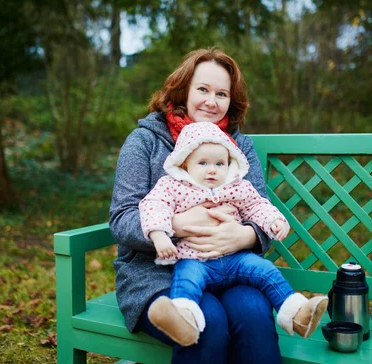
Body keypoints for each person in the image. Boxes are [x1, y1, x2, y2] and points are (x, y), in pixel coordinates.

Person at [110, 47, 296, 363]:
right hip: (155, 272)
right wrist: (177, 226)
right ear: (183, 89)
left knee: (253, 314)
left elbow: (257, 205)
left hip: (230, 266)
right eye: (203, 89)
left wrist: (246, 237)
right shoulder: (145, 140)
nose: (211, 100)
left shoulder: (238, 146)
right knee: (207, 323)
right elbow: (122, 217)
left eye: (221, 93)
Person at [140, 121, 328, 346]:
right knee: (186, 280)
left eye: (220, 163)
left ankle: (296, 314)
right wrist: (160, 235)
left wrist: (274, 220)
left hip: (235, 258)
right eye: (203, 162)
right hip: (195, 259)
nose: (212, 169)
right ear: (185, 163)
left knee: (265, 270)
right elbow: (153, 206)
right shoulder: (173, 186)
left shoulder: (237, 186)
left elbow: (257, 205)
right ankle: (183, 320)